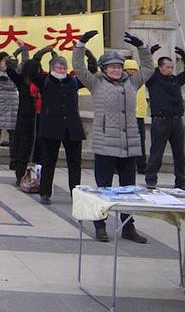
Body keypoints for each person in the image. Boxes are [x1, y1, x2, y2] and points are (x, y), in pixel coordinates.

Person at [74, 30, 152, 243]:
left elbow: (148, 68)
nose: (116, 70)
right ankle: (100, 226)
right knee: (103, 189)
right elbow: (79, 68)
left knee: (128, 191)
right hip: (105, 145)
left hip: (128, 146)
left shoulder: (132, 83)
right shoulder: (95, 83)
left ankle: (128, 227)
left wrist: (142, 47)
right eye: (112, 66)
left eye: (119, 66)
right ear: (104, 68)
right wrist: (81, 44)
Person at [28, 45, 97, 205]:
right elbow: (31, 70)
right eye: (58, 67)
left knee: (75, 164)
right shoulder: (45, 80)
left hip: (72, 129)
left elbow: (91, 71)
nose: (61, 69)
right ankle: (45, 192)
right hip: (51, 128)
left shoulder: (73, 81)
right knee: (48, 161)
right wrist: (41, 52)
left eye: (64, 67)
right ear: (52, 68)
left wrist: (88, 54)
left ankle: (75, 193)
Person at [144, 46, 185, 191]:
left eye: (172, 67)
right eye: (167, 67)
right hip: (160, 120)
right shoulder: (153, 79)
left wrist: (184, 56)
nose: (170, 70)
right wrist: (150, 53)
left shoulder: (175, 80)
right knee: (157, 152)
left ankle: (181, 181)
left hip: (177, 120)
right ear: (159, 67)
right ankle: (151, 179)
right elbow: (145, 67)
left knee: (179, 153)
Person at [0, 40, 29, 170]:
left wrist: (23, 48)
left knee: (14, 136)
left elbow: (25, 62)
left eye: (6, 60)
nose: (5, 62)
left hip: (13, 104)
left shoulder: (14, 72)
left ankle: (13, 161)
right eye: (3, 60)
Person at [13, 56, 41, 186]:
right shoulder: (21, 82)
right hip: (25, 120)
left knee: (36, 149)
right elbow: (9, 68)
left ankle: (36, 177)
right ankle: (21, 175)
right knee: (23, 148)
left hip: (38, 118)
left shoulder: (41, 82)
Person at [124, 58, 150, 174]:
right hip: (125, 115)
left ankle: (141, 166)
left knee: (140, 142)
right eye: (130, 69)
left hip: (139, 115)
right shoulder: (121, 81)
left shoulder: (140, 80)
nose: (133, 72)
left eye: (135, 70)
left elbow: (149, 68)